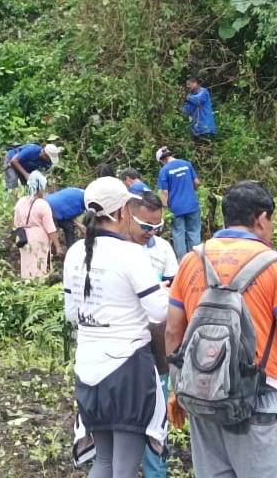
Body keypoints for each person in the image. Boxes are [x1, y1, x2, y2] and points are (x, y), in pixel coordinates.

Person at [165, 181, 277, 478]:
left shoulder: (191, 260)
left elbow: (172, 331)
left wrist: (179, 387)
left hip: (204, 399)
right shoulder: (274, 266)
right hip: (260, 399)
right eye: (272, 220)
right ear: (261, 218)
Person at [63, 177, 168, 478]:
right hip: (127, 370)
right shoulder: (131, 254)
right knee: (124, 466)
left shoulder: (74, 253)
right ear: (123, 211)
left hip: (88, 369)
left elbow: (72, 313)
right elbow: (159, 311)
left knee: (105, 462)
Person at [124, 190, 175, 478]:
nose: (151, 233)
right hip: (125, 348)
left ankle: (157, 473)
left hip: (157, 347)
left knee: (158, 420)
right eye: (146, 226)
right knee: (126, 423)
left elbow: (174, 286)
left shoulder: (163, 249)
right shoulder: (114, 252)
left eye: (157, 227)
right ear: (126, 216)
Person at [156, 147, 201, 259]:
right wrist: (193, 190)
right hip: (192, 205)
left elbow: (165, 192)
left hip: (176, 209)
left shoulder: (164, 170)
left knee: (178, 235)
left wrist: (164, 208)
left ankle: (183, 263)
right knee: (194, 232)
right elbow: (197, 182)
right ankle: (196, 260)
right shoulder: (186, 164)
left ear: (162, 160)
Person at [13, 171, 58, 279]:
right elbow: (50, 228)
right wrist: (58, 246)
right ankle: (39, 286)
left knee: (27, 263)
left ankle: (26, 284)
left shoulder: (20, 202)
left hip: (23, 238)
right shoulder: (42, 204)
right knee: (40, 264)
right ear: (41, 187)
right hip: (39, 239)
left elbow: (16, 224)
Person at [181, 77, 216, 143]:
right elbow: (187, 110)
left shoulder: (203, 91)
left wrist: (187, 99)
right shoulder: (189, 96)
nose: (188, 86)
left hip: (206, 129)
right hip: (195, 131)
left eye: (189, 84)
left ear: (195, 83)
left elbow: (198, 100)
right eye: (187, 84)